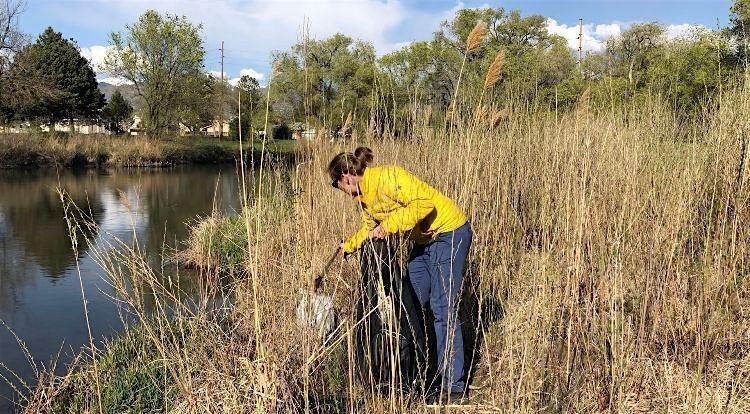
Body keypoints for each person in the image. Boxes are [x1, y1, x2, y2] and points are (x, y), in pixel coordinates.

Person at [328, 147, 473, 403]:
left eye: (336, 184)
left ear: (345, 177)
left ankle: (454, 386)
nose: (340, 190)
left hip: (449, 234)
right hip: (423, 243)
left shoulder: (388, 177)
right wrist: (349, 245)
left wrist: (389, 226)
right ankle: (424, 369)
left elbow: (424, 203)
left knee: (443, 309)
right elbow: (370, 228)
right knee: (409, 303)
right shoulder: (365, 198)